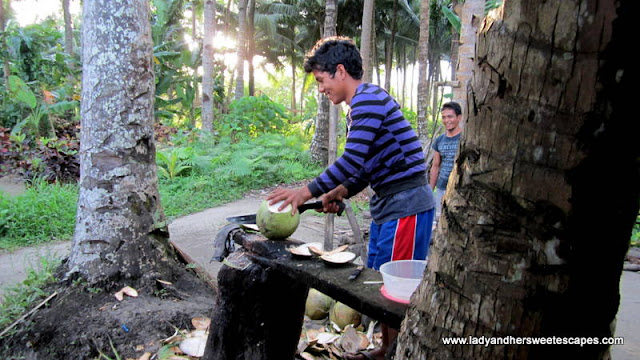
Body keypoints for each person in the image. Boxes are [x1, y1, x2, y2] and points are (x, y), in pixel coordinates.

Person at [267, 36, 435, 360]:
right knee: (381, 282)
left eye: (320, 80)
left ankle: (399, 353)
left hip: (407, 205)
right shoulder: (358, 109)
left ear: (340, 71)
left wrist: (304, 192)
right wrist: (339, 191)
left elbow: (352, 160)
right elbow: (364, 169)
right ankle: (387, 349)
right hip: (390, 206)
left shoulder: (367, 100)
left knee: (397, 288)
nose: (320, 89)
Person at [429, 101, 463, 228]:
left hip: (460, 189)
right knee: (439, 220)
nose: (446, 120)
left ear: (459, 118)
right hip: (442, 187)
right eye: (444, 117)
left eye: (450, 116)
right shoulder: (439, 140)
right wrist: (430, 190)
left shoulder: (464, 138)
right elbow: (435, 166)